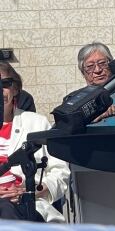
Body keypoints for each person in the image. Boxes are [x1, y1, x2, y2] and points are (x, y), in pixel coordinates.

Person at [0, 62, 69, 222]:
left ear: (15, 89)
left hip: (29, 204)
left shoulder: (36, 123)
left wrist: (29, 190)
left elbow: (61, 173)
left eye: (4, 84)